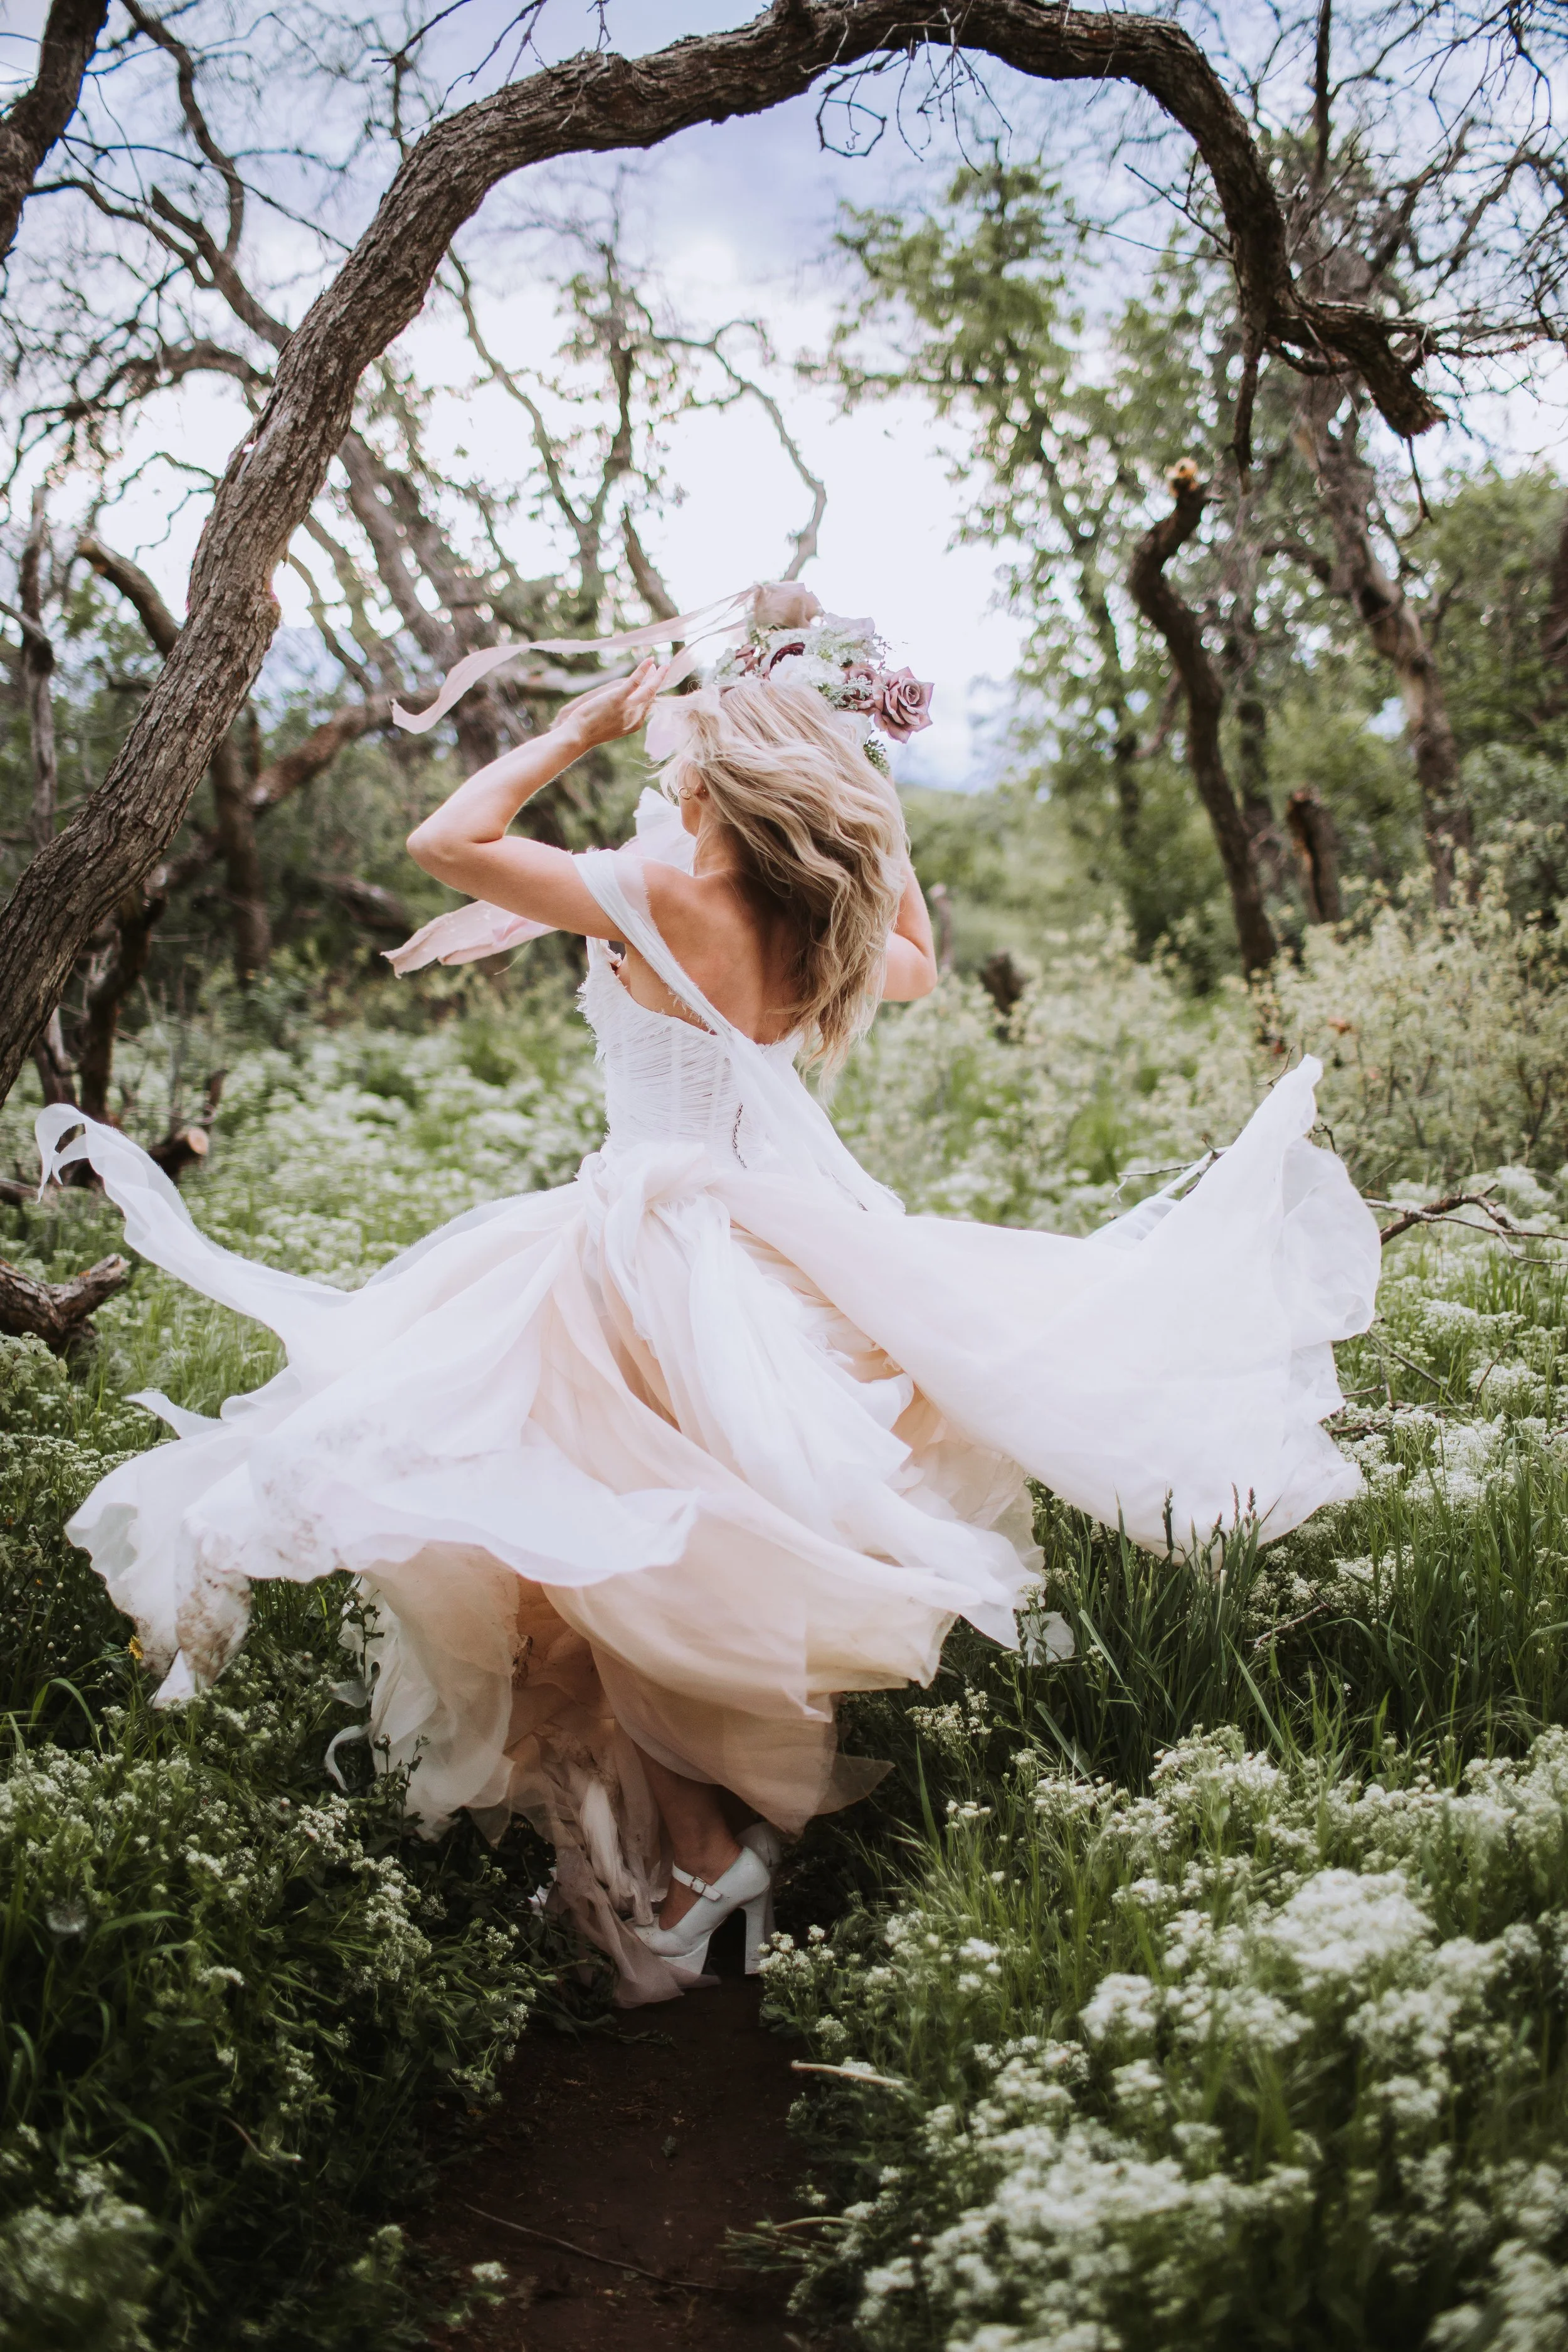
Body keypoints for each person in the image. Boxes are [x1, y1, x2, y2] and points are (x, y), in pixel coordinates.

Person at [36, 584, 1380, 2005]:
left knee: (600, 1543)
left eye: (677, 757)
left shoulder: (659, 892)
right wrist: (878, 800)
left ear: (720, 781)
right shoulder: (822, 918)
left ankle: (699, 1852)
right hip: (770, 1257)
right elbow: (915, 966)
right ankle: (699, 1849)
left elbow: (445, 842)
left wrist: (571, 728)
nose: (660, 773)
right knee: (640, 1551)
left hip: (636, 1255)